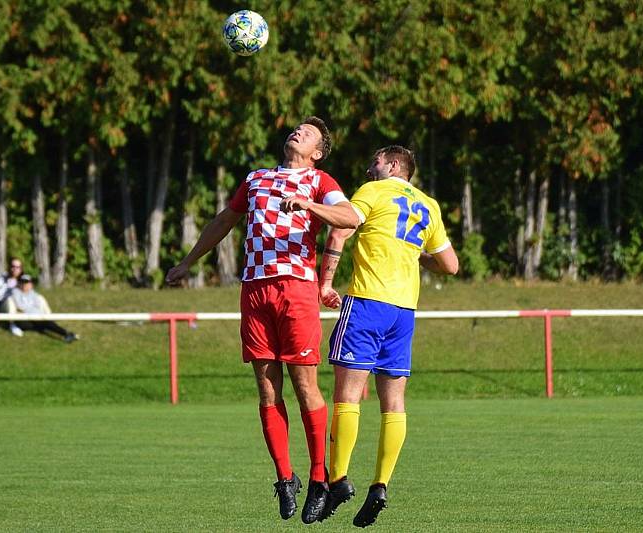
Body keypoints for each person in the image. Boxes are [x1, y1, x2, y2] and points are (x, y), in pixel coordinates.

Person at [165, 117, 360, 524]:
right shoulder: (256, 178)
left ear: (317, 152)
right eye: (296, 128)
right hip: (255, 288)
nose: (297, 132)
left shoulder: (321, 181)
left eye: (307, 133)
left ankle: (319, 477)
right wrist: (188, 261)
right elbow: (224, 221)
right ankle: (285, 478)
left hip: (297, 289)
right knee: (267, 389)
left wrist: (309, 205)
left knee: (305, 386)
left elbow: (349, 218)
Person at [316, 145, 459, 527]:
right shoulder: (428, 204)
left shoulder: (374, 191)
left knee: (347, 395)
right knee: (393, 403)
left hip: (367, 303)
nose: (369, 167)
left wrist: (307, 205)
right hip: (404, 311)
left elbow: (344, 220)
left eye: (375, 160)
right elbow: (450, 264)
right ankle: (380, 485)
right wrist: (415, 255)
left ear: (393, 165)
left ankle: (338, 480)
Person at [11, 274, 79, 343]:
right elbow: (20, 306)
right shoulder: (16, 292)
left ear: (31, 284)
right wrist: (31, 310)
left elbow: (37, 305)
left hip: (35, 317)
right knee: (45, 324)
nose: (25, 284)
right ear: (20, 283)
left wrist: (33, 311)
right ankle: (67, 334)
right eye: (23, 282)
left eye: (27, 282)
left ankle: (66, 334)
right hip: (24, 318)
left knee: (46, 323)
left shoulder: (34, 294)